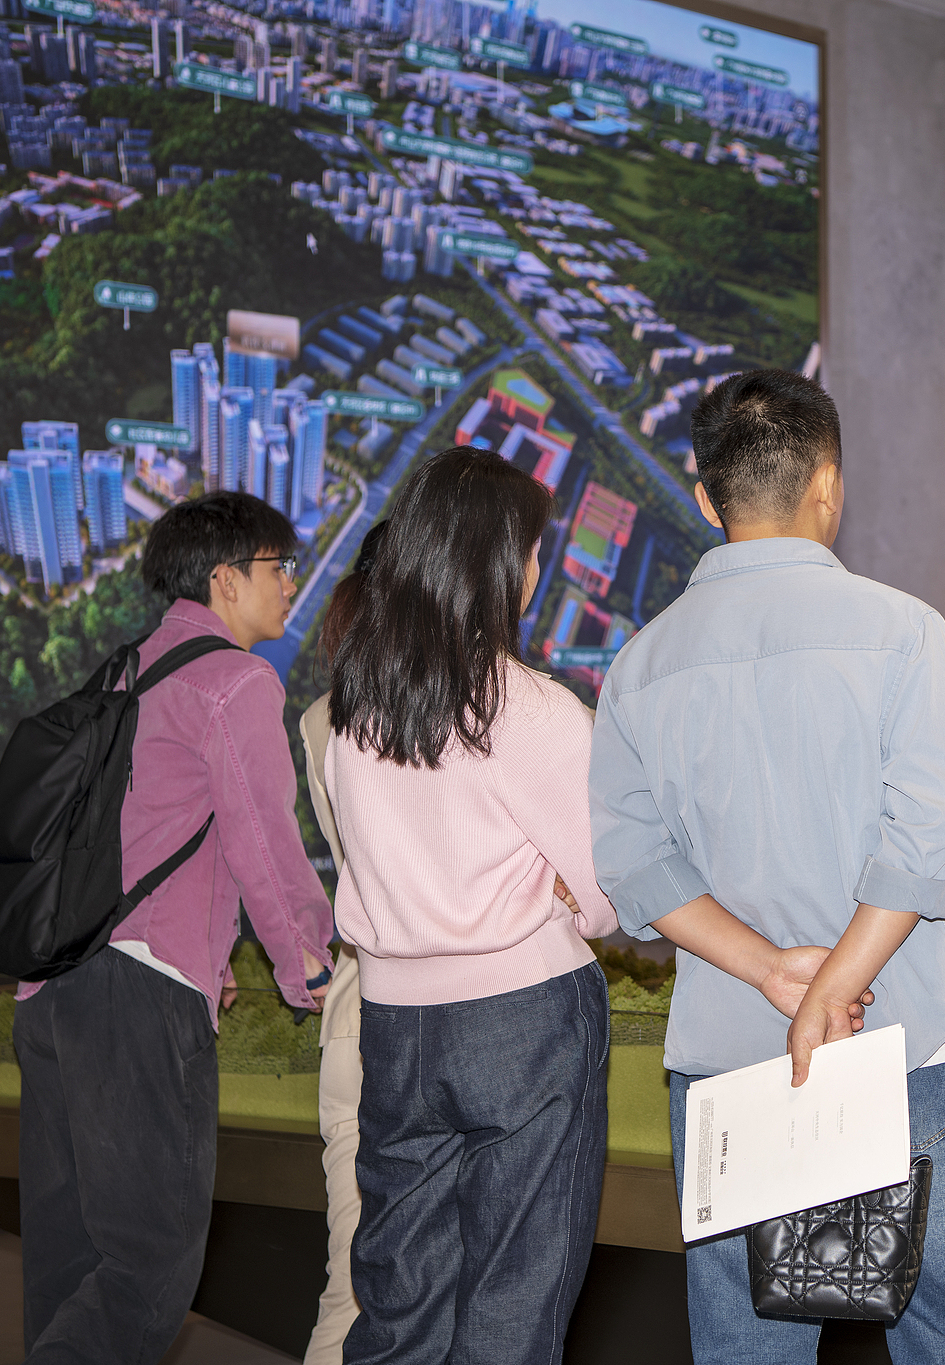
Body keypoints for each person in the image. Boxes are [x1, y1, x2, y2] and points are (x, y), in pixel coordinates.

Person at [590, 370, 945, 1364]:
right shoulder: (905, 633)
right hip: (901, 1042)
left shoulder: (638, 666)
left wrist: (772, 973)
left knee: (749, 1353)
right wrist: (835, 986)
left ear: (705, 500)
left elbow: (634, 869)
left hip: (727, 1062)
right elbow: (916, 847)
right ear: (827, 484)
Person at [15, 491, 334, 1365]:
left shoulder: (124, 669)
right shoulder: (236, 680)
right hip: (137, 1000)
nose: (290, 585)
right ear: (227, 579)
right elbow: (264, 844)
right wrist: (310, 966)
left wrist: (210, 952)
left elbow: (150, 833)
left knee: (68, 1256)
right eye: (280, 567)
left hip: (50, 989)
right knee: (148, 1264)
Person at [325, 448, 619, 1365]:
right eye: (532, 551)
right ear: (495, 559)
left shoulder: (358, 708)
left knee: (398, 1299)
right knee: (513, 1301)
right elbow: (608, 893)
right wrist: (569, 893)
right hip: (525, 1022)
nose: (537, 572)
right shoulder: (531, 708)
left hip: (396, 1026)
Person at [298, 521, 386, 1365]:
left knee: (351, 1287)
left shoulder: (322, 718)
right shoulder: (458, 711)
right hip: (420, 1023)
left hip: (353, 1016)